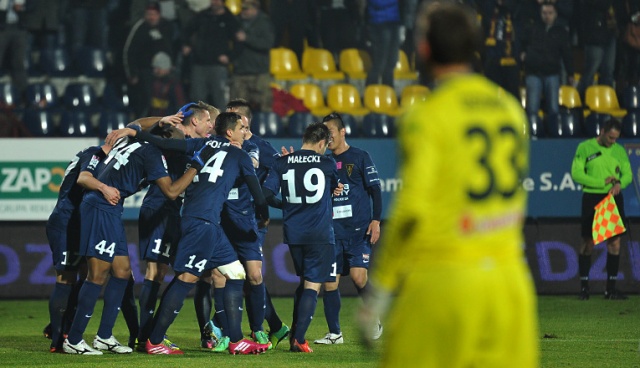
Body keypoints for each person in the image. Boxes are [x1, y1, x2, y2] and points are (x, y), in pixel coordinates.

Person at [358, 2, 539, 367]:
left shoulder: (426, 117)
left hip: (444, 281)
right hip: (510, 285)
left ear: (424, 49)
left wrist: (380, 291)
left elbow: (411, 211)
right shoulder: (508, 109)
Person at [62, 128, 206, 355]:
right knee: (97, 275)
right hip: (101, 208)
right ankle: (74, 338)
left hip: (110, 208)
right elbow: (171, 191)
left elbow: (139, 127)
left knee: (122, 272)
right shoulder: (154, 154)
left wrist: (144, 126)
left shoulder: (134, 144)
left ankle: (104, 336)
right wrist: (195, 166)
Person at [143, 112, 271, 355]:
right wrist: (264, 214)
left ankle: (236, 340)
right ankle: (155, 340)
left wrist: (136, 132)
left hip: (205, 221)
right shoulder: (239, 155)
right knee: (187, 279)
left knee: (235, 273)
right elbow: (258, 196)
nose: (246, 132)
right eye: (242, 128)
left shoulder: (202, 143)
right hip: (201, 222)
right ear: (230, 132)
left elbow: (166, 143)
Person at [263, 122, 343, 353]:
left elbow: (267, 194)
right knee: (312, 284)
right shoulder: (327, 163)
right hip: (319, 233)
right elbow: (335, 189)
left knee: (304, 282)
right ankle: (299, 338)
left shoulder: (281, 162)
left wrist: (285, 205)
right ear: (321, 143)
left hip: (294, 234)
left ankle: (294, 336)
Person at [226, 98, 291, 348]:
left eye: (230, 116)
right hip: (229, 217)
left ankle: (256, 329)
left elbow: (276, 177)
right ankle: (274, 326)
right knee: (238, 277)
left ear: (242, 120)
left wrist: (265, 205)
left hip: (254, 220)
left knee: (249, 276)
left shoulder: (260, 147)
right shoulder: (225, 143)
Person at [314, 112, 383, 345]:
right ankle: (335, 334)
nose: (328, 138)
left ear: (343, 132)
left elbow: (375, 190)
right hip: (333, 232)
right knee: (329, 282)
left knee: (358, 277)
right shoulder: (324, 161)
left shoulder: (360, 156)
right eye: (324, 134)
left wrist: (376, 220)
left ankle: (374, 319)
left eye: (330, 133)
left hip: (358, 231)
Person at [45, 143, 120, 353]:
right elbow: (83, 179)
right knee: (66, 277)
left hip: (81, 222)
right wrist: (105, 188)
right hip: (67, 223)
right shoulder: (95, 154)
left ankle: (59, 325)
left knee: (87, 274)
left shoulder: (96, 157)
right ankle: (58, 340)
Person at [570, 118, 632, 300]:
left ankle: (610, 289)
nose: (613, 142)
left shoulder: (619, 151)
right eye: (611, 138)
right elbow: (576, 173)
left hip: (613, 198)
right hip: (592, 197)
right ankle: (584, 288)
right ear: (603, 131)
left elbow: (628, 173)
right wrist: (600, 182)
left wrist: (620, 183)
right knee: (588, 242)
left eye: (616, 138)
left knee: (614, 243)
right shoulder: (585, 148)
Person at [182, 0, 240, 111]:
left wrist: (229, 57)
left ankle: (223, 126)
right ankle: (198, 126)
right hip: (199, 64)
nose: (215, 2)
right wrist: (186, 44)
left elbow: (239, 41)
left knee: (220, 99)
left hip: (218, 66)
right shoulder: (202, 16)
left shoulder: (229, 19)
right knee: (197, 100)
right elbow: (187, 31)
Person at [123, 1, 176, 117]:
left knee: (170, 100)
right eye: (149, 14)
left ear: (159, 14)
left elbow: (172, 48)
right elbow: (129, 52)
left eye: (154, 14)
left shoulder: (166, 26)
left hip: (165, 71)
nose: (151, 17)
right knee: (147, 102)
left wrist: (170, 66)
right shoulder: (140, 27)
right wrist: (132, 73)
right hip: (145, 71)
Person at [521, 2, 573, 117]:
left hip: (552, 73)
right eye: (544, 13)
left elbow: (566, 53)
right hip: (533, 72)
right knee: (532, 109)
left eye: (550, 13)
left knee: (553, 109)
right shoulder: (532, 28)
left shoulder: (561, 31)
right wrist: (523, 56)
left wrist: (570, 73)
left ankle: (553, 133)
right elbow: (522, 44)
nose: (547, 16)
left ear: (555, 14)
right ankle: (532, 133)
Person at [230, 0, 275, 112]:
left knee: (264, 106)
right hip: (240, 71)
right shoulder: (236, 21)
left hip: (259, 72)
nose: (243, 12)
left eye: (246, 9)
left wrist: (247, 38)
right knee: (238, 108)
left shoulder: (264, 22)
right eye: (242, 9)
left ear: (255, 9)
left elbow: (267, 43)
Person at [365, 0, 403, 87]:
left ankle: (389, 89)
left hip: (394, 21)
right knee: (380, 61)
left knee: (392, 60)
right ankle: (370, 89)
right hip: (379, 22)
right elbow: (377, 3)